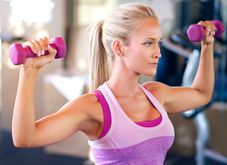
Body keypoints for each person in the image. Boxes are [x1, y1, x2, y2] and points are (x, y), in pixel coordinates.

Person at [12, 3, 216, 165]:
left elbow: (202, 94)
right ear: (119, 48)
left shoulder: (156, 94)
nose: (158, 52)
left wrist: (207, 46)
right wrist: (29, 71)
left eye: (158, 42)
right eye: (148, 43)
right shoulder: (94, 107)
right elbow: (25, 138)